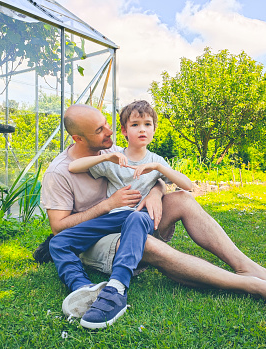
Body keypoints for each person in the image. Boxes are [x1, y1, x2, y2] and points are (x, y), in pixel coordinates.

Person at [40, 101, 266, 327]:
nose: (109, 132)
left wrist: (157, 190)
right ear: (79, 138)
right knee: (141, 237)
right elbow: (58, 229)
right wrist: (107, 204)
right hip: (98, 237)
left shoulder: (109, 148)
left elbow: (153, 173)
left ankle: (246, 266)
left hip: (134, 217)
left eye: (107, 124)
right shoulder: (61, 171)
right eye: (101, 130)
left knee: (181, 199)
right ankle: (254, 286)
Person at [50, 101, 192, 329]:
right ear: (124, 131)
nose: (142, 129)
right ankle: (82, 287)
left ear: (155, 128)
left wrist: (159, 171)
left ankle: (117, 286)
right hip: (112, 217)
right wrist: (106, 158)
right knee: (57, 242)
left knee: (136, 217)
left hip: (140, 217)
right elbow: (74, 167)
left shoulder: (157, 162)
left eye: (148, 124)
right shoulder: (115, 158)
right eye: (135, 125)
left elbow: (189, 186)